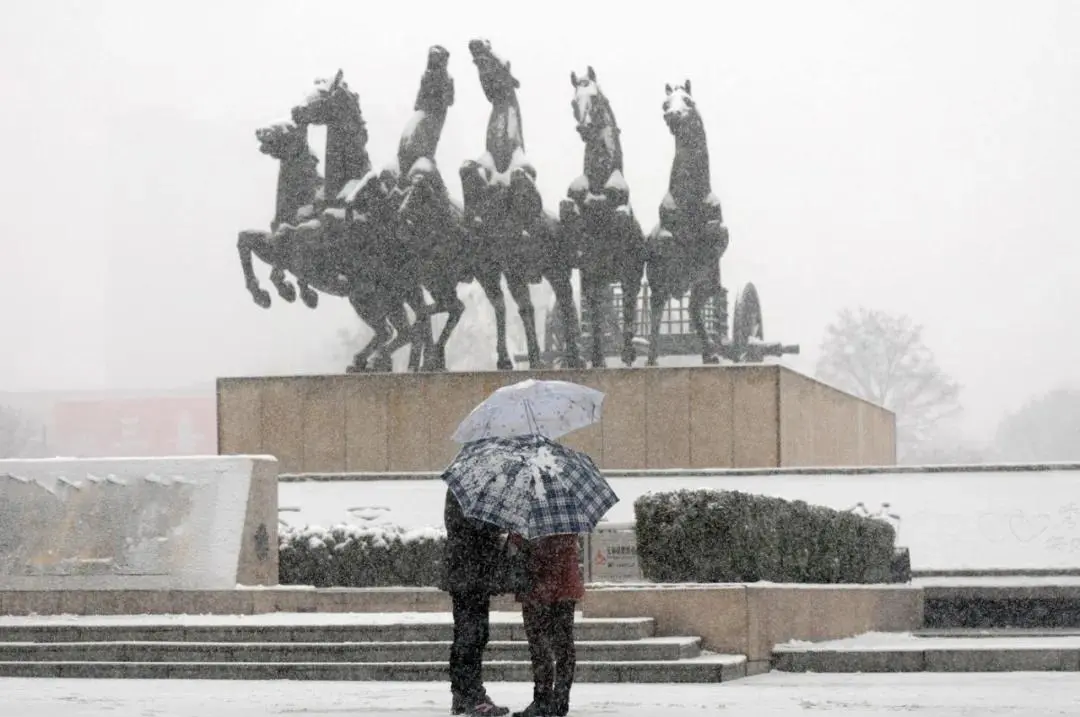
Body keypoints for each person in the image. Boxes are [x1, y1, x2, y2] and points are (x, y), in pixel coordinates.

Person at [441, 488, 510, 717]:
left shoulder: (463, 490)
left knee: (470, 634)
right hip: (470, 574)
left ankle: (463, 695)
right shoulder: (469, 494)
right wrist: (497, 526)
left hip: (468, 574)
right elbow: (474, 530)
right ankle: (472, 695)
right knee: (472, 635)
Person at [509, 533, 584, 717]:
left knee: (540, 646)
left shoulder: (528, 514)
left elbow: (533, 551)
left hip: (539, 588)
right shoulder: (566, 514)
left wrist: (518, 540)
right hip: (563, 587)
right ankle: (560, 700)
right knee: (563, 646)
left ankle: (543, 699)